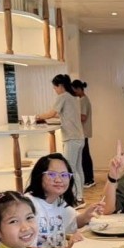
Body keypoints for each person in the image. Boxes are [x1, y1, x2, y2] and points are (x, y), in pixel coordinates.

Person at [24, 154, 102, 248]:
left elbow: (73, 222)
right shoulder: (28, 205)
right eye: (52, 174)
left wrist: (86, 215)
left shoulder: (58, 201)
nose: (59, 180)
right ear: (39, 176)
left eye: (64, 175)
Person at [35, 74, 84, 204]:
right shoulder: (74, 97)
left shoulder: (63, 96)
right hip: (79, 137)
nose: (54, 90)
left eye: (55, 87)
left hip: (71, 137)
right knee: (78, 168)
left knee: (70, 169)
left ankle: (77, 198)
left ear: (60, 86)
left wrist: (37, 117)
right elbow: (66, 115)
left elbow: (52, 113)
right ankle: (80, 196)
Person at [72, 79, 94, 188]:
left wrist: (71, 116)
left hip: (83, 132)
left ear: (78, 89)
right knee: (85, 155)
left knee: (85, 156)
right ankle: (89, 179)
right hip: (83, 132)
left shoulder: (82, 101)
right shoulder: (84, 99)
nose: (73, 92)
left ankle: (89, 179)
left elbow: (83, 117)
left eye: (74, 90)